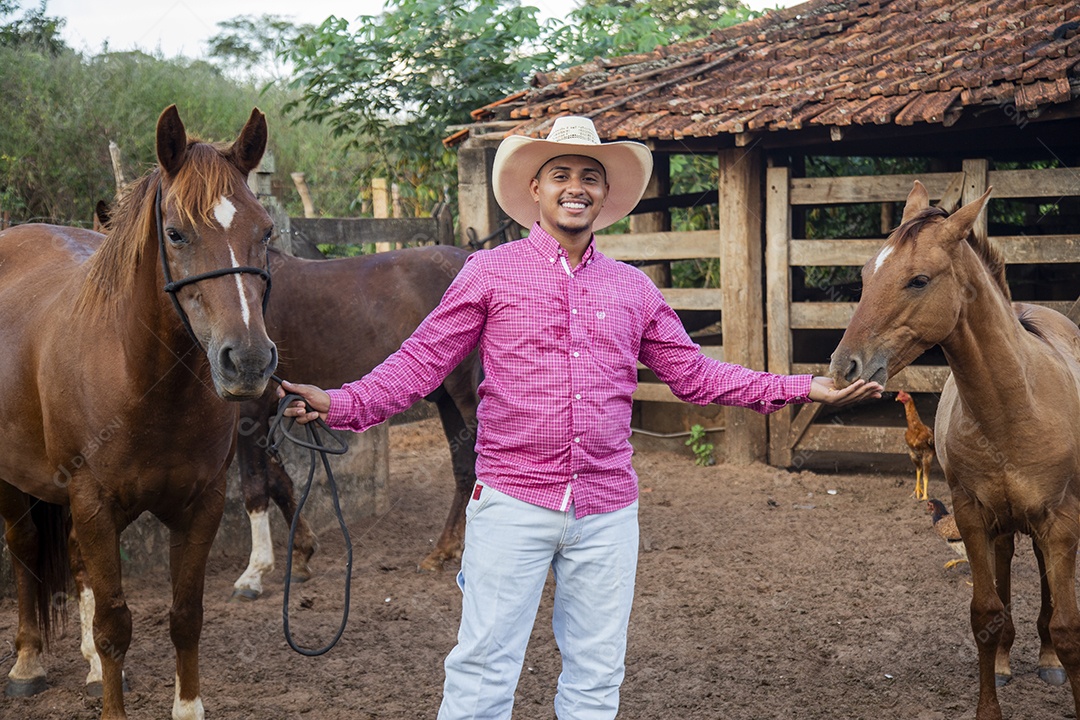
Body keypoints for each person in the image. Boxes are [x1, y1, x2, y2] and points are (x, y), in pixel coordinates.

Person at [279, 116, 883, 719]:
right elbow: (421, 362)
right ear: (536, 191)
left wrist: (805, 386)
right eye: (561, 174)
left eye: (590, 177)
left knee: (596, 680)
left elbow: (697, 375)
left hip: (606, 511)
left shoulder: (634, 290)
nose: (577, 187)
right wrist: (342, 402)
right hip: (512, 502)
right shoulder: (489, 274)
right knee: (483, 671)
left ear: (605, 195)